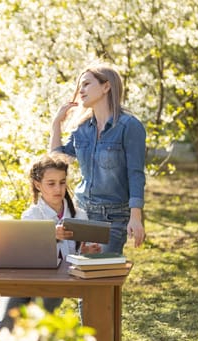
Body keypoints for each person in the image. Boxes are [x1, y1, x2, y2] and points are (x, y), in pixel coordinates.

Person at [0, 153, 101, 331]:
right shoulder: (31, 216)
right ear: (38, 185)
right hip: (26, 279)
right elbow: (25, 253)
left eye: (62, 182)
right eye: (51, 183)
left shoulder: (79, 215)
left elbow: (77, 256)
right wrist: (51, 236)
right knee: (6, 321)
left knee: (39, 316)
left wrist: (87, 253)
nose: (58, 189)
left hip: (58, 281)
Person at [50, 63, 146, 254]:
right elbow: (57, 162)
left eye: (86, 84)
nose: (81, 91)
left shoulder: (129, 126)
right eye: (79, 87)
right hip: (80, 212)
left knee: (100, 275)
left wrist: (135, 216)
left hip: (113, 217)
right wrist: (55, 125)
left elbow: (135, 174)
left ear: (106, 86)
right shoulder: (82, 128)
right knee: (74, 272)